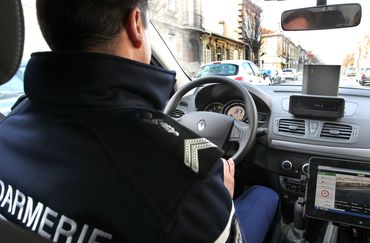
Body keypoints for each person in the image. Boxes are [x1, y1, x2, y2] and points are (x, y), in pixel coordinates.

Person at [0, 0, 279, 242]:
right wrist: (221, 197)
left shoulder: (10, 123)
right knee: (265, 195)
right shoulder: (190, 179)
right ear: (136, 23)